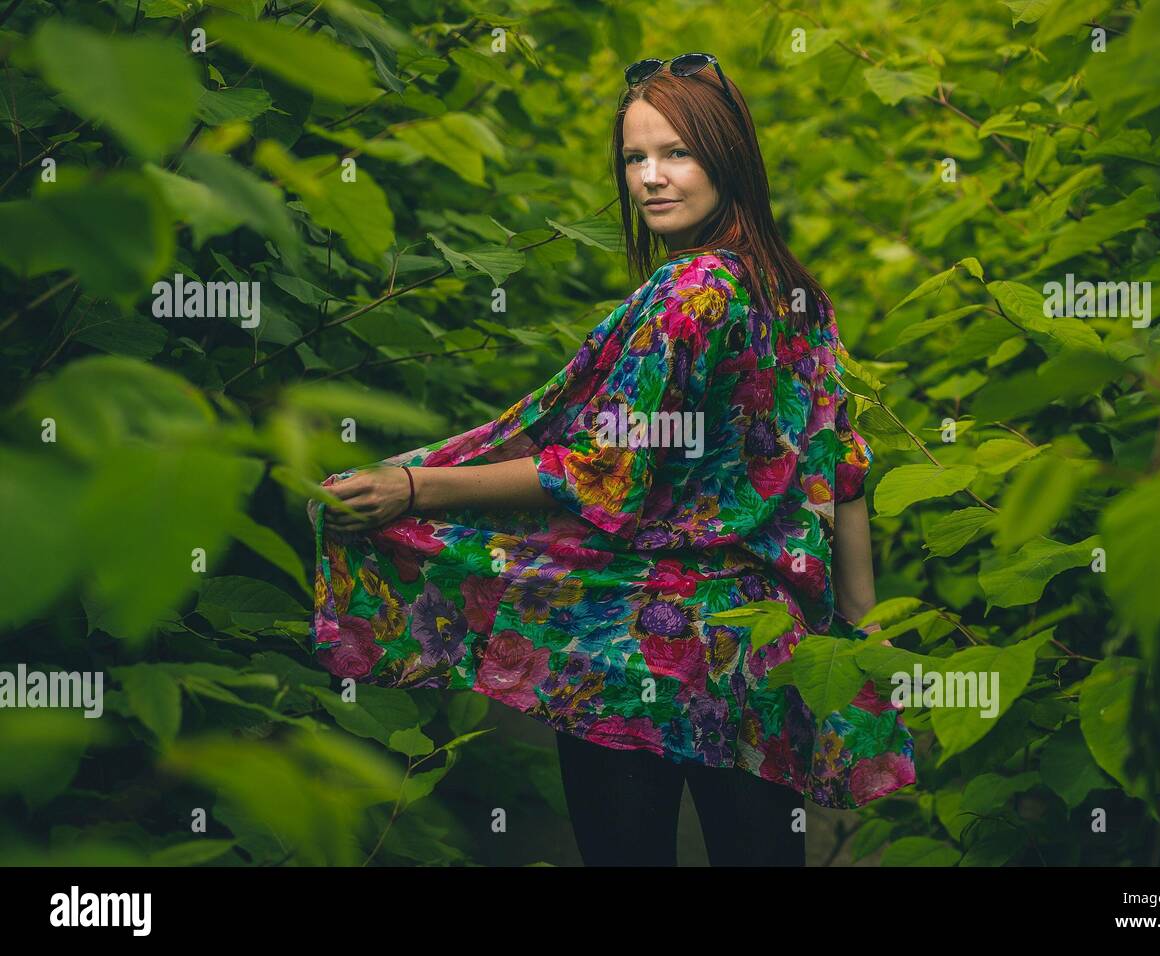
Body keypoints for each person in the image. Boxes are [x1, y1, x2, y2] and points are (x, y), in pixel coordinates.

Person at [307, 53, 916, 867]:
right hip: (767, 646)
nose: (652, 179)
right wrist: (862, 633)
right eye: (635, 157)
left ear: (728, 156)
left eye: (678, 153)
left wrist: (414, 487)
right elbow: (843, 478)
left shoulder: (689, 294)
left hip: (638, 645)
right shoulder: (792, 293)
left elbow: (598, 471)